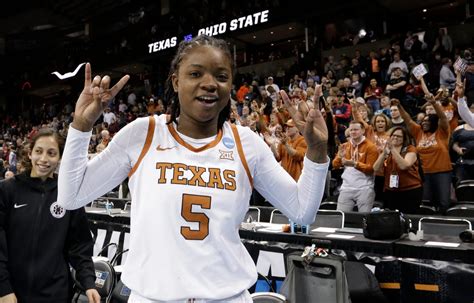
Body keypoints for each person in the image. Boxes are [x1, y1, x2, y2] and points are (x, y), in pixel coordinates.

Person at [57, 35, 329, 302]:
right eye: (196, 74)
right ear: (176, 81)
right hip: (152, 297)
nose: (209, 84)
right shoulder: (143, 133)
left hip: (227, 297)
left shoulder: (247, 144)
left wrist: (316, 151)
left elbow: (302, 212)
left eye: (221, 77)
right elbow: (71, 197)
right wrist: (81, 126)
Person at [0, 129, 100, 303]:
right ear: (29, 153)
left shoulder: (68, 195)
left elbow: (80, 246)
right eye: (38, 151)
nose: (44, 159)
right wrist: (3, 289)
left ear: (60, 158)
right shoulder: (7, 190)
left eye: (51, 153)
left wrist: (89, 282)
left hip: (55, 295)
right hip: (12, 294)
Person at [373, 127, 423, 213]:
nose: (395, 138)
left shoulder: (410, 149)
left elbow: (404, 166)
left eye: (399, 136)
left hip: (410, 190)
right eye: (393, 135)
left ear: (404, 139)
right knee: (392, 218)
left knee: (408, 217)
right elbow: (375, 168)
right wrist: (384, 153)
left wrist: (393, 149)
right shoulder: (387, 150)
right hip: (391, 190)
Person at [332, 121, 378, 212]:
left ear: (363, 131)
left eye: (356, 130)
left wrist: (355, 164)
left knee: (364, 219)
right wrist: (340, 157)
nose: (353, 132)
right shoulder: (345, 146)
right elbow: (335, 165)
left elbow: (371, 169)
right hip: (346, 188)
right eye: (351, 130)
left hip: (364, 188)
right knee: (342, 218)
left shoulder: (371, 147)